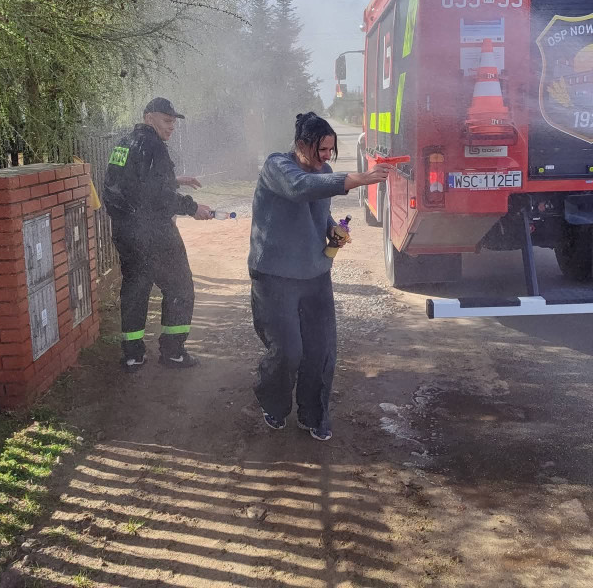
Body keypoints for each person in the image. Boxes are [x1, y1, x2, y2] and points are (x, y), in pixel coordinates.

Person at [248, 112, 392, 441]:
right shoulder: (277, 167)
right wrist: (359, 179)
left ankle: (314, 415)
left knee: (321, 350)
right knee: (288, 351)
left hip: (314, 273)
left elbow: (319, 210)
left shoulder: (323, 171)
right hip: (274, 275)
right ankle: (273, 401)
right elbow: (300, 189)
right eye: (321, 150)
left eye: (331, 151)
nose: (327, 158)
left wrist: (333, 231)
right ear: (301, 145)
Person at [103, 97, 213, 371]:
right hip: (154, 231)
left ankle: (132, 355)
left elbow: (129, 184)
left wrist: (175, 180)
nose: (171, 127)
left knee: (135, 289)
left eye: (173, 122)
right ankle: (173, 352)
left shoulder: (124, 144)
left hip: (126, 232)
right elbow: (159, 196)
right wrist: (192, 207)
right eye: (167, 121)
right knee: (179, 286)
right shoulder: (153, 146)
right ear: (149, 117)